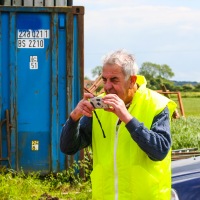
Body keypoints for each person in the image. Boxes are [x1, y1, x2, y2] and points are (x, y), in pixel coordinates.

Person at [60, 49, 177, 200]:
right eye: (104, 79)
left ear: (132, 81)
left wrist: (127, 118)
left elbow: (159, 151)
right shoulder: (99, 106)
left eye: (114, 80)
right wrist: (74, 118)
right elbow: (68, 148)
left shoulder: (156, 104)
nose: (107, 86)